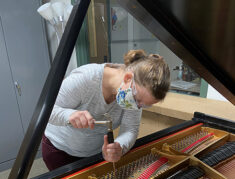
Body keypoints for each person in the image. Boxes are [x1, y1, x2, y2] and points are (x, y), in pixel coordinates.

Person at [42, 49, 170, 171]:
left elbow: (130, 129)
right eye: (138, 100)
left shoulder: (135, 93)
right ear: (127, 78)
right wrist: (69, 115)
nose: (138, 106)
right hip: (59, 151)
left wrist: (119, 146)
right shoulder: (86, 78)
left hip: (94, 154)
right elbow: (46, 112)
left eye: (144, 105)